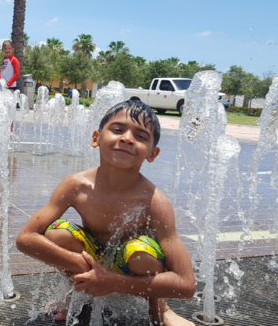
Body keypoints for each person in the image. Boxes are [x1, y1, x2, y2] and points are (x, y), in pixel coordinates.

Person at [16, 100, 195, 326]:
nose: (127, 138)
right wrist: (83, 266)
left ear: (152, 153)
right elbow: (25, 238)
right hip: (90, 258)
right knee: (57, 235)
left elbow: (186, 283)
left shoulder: (155, 202)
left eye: (140, 136)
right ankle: (74, 290)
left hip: (131, 265)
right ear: (96, 138)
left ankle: (158, 307)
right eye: (117, 130)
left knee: (142, 254)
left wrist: (112, 281)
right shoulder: (75, 186)